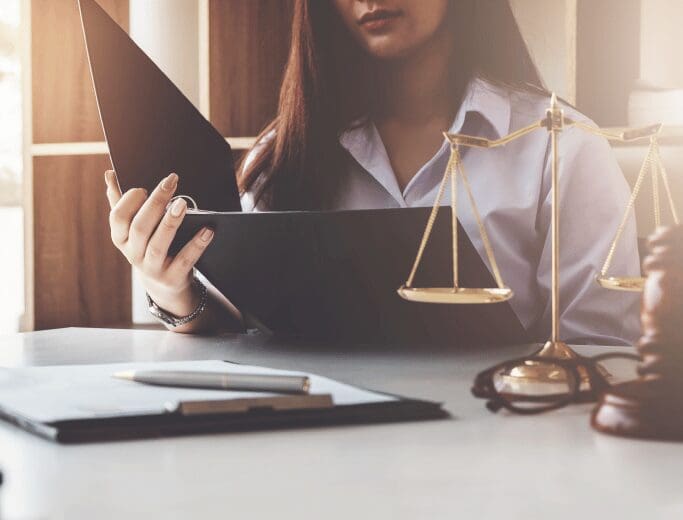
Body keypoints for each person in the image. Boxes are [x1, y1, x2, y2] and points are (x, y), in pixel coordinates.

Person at [104, 0, 640, 345]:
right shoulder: (285, 152)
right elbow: (246, 331)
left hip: (508, 462)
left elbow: (601, 347)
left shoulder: (562, 145)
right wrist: (172, 286)